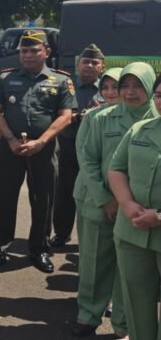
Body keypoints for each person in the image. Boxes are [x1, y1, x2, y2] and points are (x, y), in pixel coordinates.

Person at [73, 64, 156, 338]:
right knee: (94, 261)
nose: (130, 92)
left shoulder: (156, 120)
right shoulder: (102, 118)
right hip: (101, 203)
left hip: (139, 212)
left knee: (130, 272)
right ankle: (88, 315)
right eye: (125, 86)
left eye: (138, 86)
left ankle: (124, 324)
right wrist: (106, 199)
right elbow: (88, 161)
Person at [0, 30, 75, 273]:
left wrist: (42, 141)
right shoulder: (5, 79)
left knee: (43, 200)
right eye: (24, 51)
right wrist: (10, 139)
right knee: (4, 197)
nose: (27, 55)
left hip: (44, 150)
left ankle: (39, 249)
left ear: (47, 52)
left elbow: (65, 116)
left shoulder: (60, 80)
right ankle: (0, 244)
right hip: (10, 148)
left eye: (34, 50)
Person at [107, 74, 161, 340]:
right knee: (136, 304)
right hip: (133, 232)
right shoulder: (140, 129)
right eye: (160, 95)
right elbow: (117, 168)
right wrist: (127, 203)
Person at [52, 44, 106, 248]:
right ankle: (61, 233)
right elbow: (54, 114)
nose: (89, 66)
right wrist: (75, 116)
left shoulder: (108, 87)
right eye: (86, 62)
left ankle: (92, 238)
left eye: (94, 62)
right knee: (65, 191)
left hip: (97, 149)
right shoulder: (66, 86)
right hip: (68, 145)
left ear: (102, 67)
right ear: (77, 65)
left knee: (95, 193)